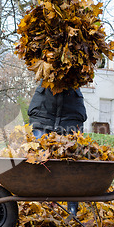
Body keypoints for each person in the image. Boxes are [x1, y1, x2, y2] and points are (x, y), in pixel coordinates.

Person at [27, 82, 87, 216]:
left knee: (72, 163)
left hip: (71, 114)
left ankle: (72, 208)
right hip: (43, 113)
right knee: (39, 160)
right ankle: (39, 205)